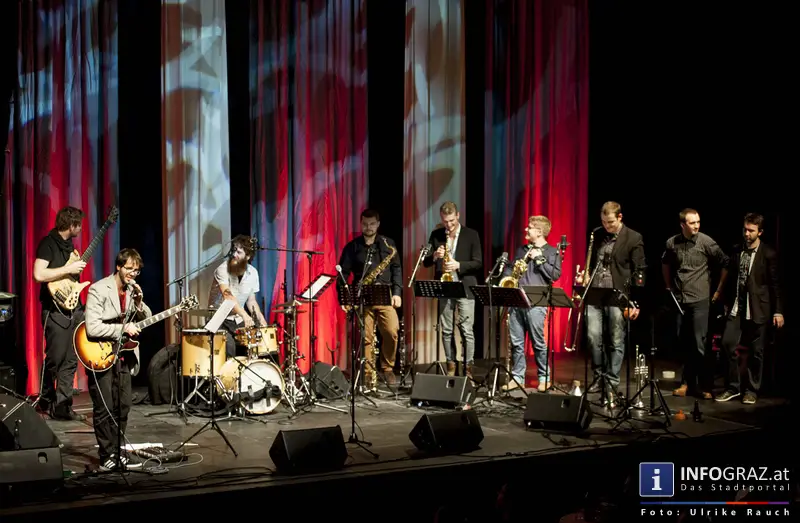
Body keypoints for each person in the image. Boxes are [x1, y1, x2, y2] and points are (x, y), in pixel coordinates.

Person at [84, 249, 152, 471]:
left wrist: (139, 303)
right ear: (119, 267)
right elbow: (93, 327)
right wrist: (122, 328)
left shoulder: (133, 291)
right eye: (129, 269)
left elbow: (147, 318)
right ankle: (106, 455)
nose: (133, 273)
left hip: (123, 354)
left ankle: (117, 451)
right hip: (100, 353)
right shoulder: (98, 289)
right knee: (104, 407)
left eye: (137, 270)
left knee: (123, 406)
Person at [578, 202, 645, 404]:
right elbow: (591, 261)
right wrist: (585, 275)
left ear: (620, 217)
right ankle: (599, 376)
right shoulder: (597, 234)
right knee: (593, 336)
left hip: (618, 294)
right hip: (595, 292)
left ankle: (612, 381)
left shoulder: (633, 237)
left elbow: (640, 270)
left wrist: (635, 302)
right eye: (604, 222)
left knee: (616, 339)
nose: (607, 226)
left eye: (610, 222)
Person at [715, 213, 783, 405]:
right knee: (727, 344)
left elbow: (775, 284)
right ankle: (733, 387)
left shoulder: (768, 253)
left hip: (759, 307)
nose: (746, 234)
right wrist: (724, 299)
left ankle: (752, 390)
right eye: (745, 229)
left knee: (756, 351)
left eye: (751, 231)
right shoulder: (737, 250)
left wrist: (778, 311)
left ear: (760, 232)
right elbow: (731, 278)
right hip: (738, 305)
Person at [662, 208, 729, 399]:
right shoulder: (672, 243)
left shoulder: (706, 242)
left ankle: (703, 385)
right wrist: (668, 287)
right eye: (692, 223)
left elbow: (726, 263)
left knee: (699, 343)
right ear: (682, 225)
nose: (697, 226)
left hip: (700, 299)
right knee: (683, 342)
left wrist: (718, 290)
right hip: (680, 300)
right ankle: (686, 382)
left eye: (698, 222)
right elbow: (665, 263)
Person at [32, 206, 87, 420]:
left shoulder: (70, 246)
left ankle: (63, 406)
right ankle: (45, 399)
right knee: (55, 357)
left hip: (75, 308)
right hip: (55, 310)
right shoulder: (48, 244)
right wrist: (67, 270)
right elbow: (38, 274)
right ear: (71, 225)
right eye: (79, 225)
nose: (81, 229)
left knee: (71, 359)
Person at [337, 209, 402, 387]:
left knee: (391, 331)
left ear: (378, 224)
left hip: (385, 295)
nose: (368, 227)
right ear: (361, 224)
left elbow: (396, 269)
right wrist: (345, 299)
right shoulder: (352, 247)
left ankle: (387, 368)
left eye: (372, 224)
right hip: (363, 296)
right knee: (365, 337)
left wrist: (397, 292)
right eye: (365, 224)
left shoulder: (388, 244)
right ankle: (367, 374)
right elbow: (343, 274)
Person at [501, 215, 562, 392]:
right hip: (516, 301)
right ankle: (517, 377)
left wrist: (539, 259)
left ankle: (544, 377)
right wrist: (506, 276)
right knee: (517, 343)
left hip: (536, 303)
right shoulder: (522, 249)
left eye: (529, 227)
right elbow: (510, 267)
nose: (526, 230)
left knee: (538, 342)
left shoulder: (551, 252)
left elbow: (555, 275)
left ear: (539, 231)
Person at [422, 202, 483, 378]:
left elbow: (478, 262)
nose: (448, 225)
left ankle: (468, 367)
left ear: (458, 215)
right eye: (445, 221)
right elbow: (426, 262)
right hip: (445, 286)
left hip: (465, 287)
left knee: (466, 330)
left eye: (451, 220)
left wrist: (458, 265)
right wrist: (435, 255)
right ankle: (451, 364)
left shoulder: (471, 234)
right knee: (446, 329)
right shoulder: (436, 235)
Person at [208, 235, 268, 358]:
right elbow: (228, 296)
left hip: (237, 319)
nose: (234, 254)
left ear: (248, 256)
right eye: (234, 250)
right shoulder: (223, 269)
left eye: (239, 252)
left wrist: (261, 320)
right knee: (229, 348)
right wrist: (245, 315)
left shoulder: (253, 273)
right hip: (219, 319)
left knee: (254, 345)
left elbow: (251, 301)